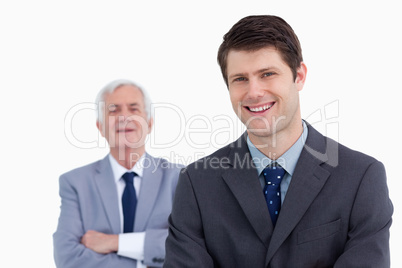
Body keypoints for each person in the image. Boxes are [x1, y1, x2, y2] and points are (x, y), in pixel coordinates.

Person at [164, 15, 393, 267]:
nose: (253, 92)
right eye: (240, 79)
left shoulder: (360, 177)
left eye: (267, 74)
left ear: (299, 76)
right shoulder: (196, 184)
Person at [53, 79, 183, 268]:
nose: (124, 117)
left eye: (134, 109)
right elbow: (67, 256)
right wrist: (144, 256)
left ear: (150, 123)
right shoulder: (75, 183)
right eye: (113, 110)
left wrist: (114, 242)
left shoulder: (179, 178)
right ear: (100, 127)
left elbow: (187, 247)